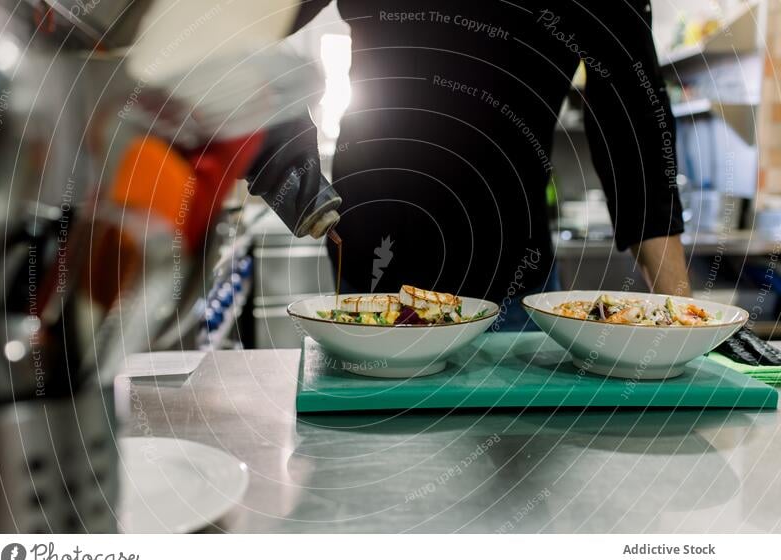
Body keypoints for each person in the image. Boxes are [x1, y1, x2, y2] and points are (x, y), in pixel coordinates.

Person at [251, 1, 690, 330]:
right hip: (372, 277)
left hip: (513, 286)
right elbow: (235, 27)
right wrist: (272, 137)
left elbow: (635, 121)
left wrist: (683, 318)